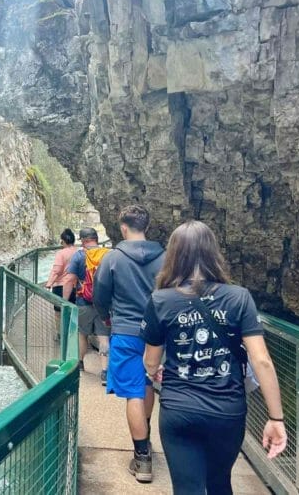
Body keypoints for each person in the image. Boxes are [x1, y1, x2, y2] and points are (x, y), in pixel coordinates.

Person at [141, 220, 287, 494]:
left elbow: (151, 361)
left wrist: (155, 370)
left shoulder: (160, 300)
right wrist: (275, 418)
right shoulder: (239, 298)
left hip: (179, 409)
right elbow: (261, 360)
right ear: (213, 253)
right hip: (227, 411)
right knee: (219, 483)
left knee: (187, 488)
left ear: (173, 255)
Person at [93, 205, 165, 483]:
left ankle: (142, 458)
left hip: (125, 331)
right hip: (158, 334)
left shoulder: (113, 259)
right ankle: (145, 436)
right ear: (146, 226)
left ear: (123, 227)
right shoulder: (166, 258)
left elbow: (100, 296)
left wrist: (106, 319)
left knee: (134, 391)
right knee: (147, 384)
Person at [62, 227, 110, 377]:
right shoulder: (108, 255)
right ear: (96, 238)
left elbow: (70, 280)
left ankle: (81, 363)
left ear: (82, 241)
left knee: (82, 334)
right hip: (105, 304)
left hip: (84, 301)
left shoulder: (79, 256)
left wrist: (64, 301)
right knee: (104, 337)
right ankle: (105, 371)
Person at [44, 228, 78, 341]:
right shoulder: (78, 251)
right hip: (75, 285)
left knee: (58, 312)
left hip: (60, 286)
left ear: (63, 241)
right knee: (73, 310)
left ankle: (60, 335)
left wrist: (49, 284)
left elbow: (57, 270)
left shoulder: (61, 253)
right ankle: (73, 334)